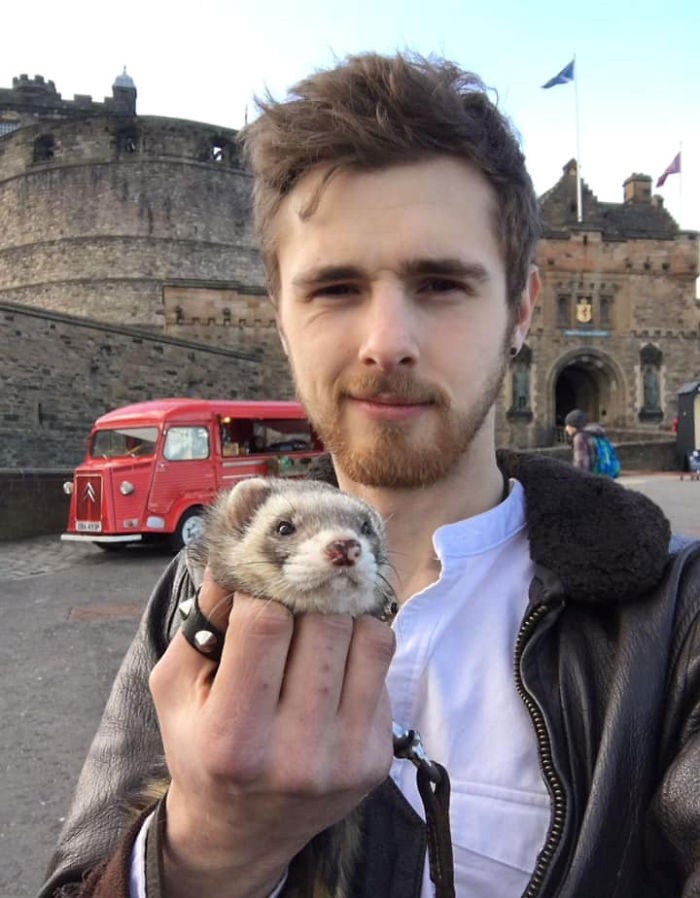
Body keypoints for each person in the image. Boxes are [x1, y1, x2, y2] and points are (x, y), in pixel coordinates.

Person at [39, 53, 699, 898]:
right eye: (337, 287)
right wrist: (205, 853)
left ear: (523, 309)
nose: (387, 340)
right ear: (277, 311)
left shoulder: (678, 622)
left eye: (441, 282)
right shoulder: (192, 594)